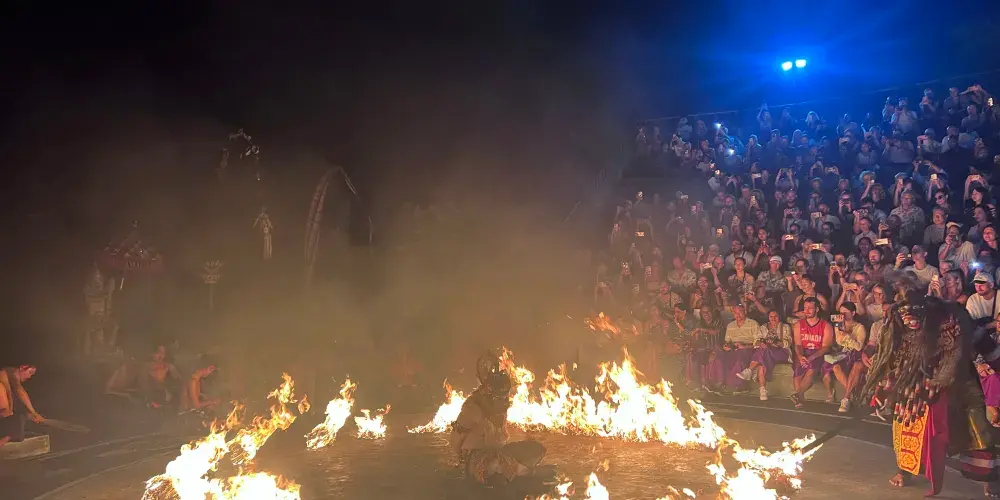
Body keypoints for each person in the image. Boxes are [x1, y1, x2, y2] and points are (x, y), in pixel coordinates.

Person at [859, 291, 1000, 497]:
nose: (911, 323)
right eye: (906, 319)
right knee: (906, 424)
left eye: (915, 318)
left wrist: (991, 364)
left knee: (977, 430)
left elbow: (982, 347)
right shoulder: (897, 328)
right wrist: (886, 383)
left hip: (960, 383)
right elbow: (891, 359)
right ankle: (905, 470)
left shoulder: (953, 323)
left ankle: (989, 480)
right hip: (916, 386)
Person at [451, 350, 554, 492]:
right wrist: (464, 461)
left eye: (506, 395)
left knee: (537, 449)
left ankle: (512, 472)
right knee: (494, 465)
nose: (505, 399)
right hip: (477, 460)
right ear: (490, 394)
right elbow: (455, 440)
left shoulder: (501, 408)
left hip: (500, 454)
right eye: (501, 396)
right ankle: (521, 472)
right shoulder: (473, 409)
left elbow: (500, 439)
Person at [734, 309, 791, 401]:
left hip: (782, 352)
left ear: (779, 317)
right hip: (766, 353)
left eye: (775, 316)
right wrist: (761, 343)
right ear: (768, 317)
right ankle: (763, 391)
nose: (773, 318)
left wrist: (774, 342)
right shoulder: (763, 327)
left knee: (764, 351)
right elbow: (756, 341)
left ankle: (749, 370)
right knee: (762, 362)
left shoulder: (785, 327)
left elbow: (787, 343)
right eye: (771, 316)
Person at [821, 303, 867, 413]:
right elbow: (839, 341)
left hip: (856, 354)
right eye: (840, 312)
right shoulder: (838, 325)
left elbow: (859, 347)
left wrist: (846, 335)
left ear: (853, 313)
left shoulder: (859, 327)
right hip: (844, 353)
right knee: (835, 367)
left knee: (856, 366)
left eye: (845, 312)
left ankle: (846, 398)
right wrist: (840, 330)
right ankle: (853, 393)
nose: (842, 315)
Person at [790, 298, 833, 408]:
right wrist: (800, 356)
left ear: (817, 309)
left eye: (810, 308)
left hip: (818, 353)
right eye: (805, 308)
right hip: (803, 352)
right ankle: (799, 398)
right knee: (797, 374)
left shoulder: (826, 325)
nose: (807, 311)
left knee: (811, 369)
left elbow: (825, 347)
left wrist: (811, 358)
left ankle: (798, 395)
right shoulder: (798, 325)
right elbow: (798, 344)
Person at [0, 364, 44, 444]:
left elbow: (19, 395)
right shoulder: (9, 374)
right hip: (3, 412)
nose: (29, 377)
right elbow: (21, 393)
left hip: (4, 413)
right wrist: (34, 413)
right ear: (22, 367)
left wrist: (33, 414)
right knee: (16, 422)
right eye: (29, 372)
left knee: (19, 419)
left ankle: (8, 437)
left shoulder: (11, 380)